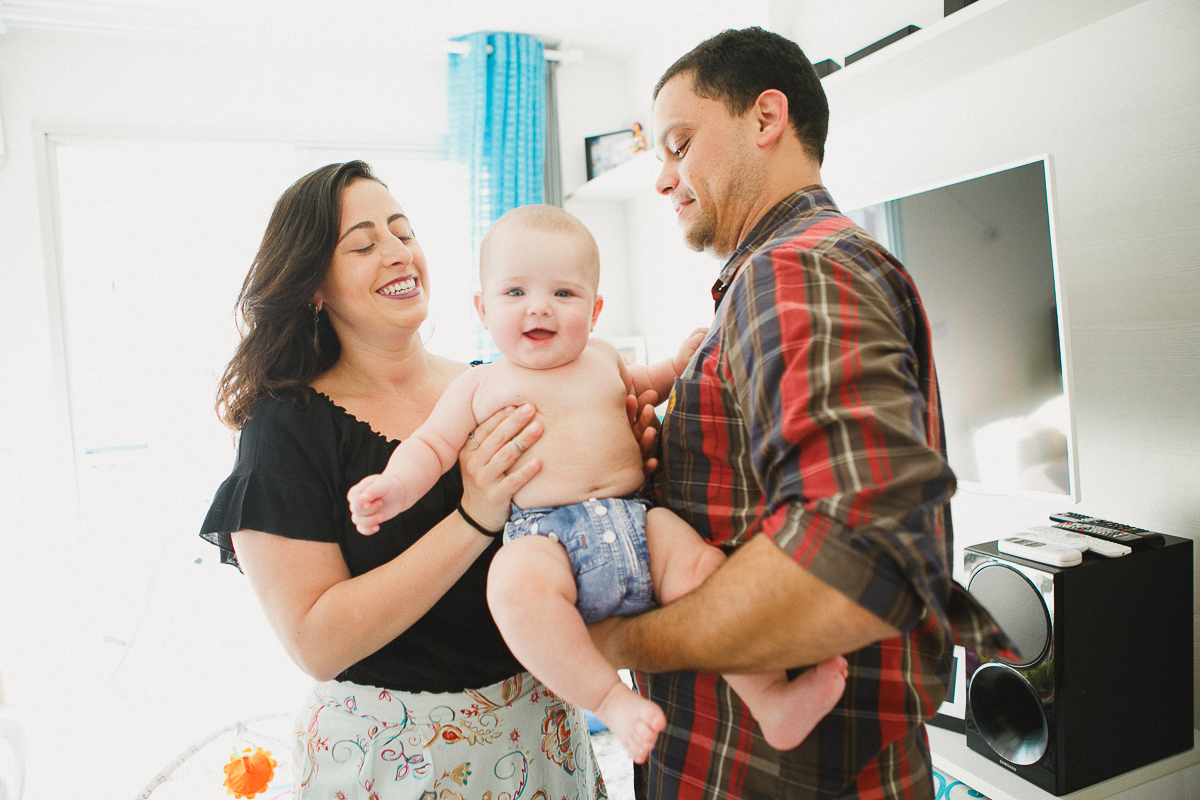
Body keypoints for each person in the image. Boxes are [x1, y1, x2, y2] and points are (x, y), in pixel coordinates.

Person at [586, 28, 1013, 800]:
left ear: (765, 117)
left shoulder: (793, 267)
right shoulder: (779, 275)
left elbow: (857, 559)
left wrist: (622, 638)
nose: (662, 179)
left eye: (679, 145)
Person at [347, 204, 850, 765]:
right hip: (548, 543)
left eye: (564, 294)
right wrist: (392, 487)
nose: (539, 306)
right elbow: (432, 447)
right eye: (514, 293)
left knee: (707, 574)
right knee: (511, 587)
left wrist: (679, 363)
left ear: (595, 309)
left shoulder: (603, 358)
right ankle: (612, 701)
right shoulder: (478, 385)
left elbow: (646, 384)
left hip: (638, 523)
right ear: (482, 308)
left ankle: (770, 699)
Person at [200, 162, 608, 799]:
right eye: (363, 245)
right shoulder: (284, 427)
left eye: (403, 232)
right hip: (393, 764)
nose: (398, 254)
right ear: (314, 287)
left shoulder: (494, 385)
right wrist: (475, 516)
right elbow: (316, 640)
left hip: (543, 739)